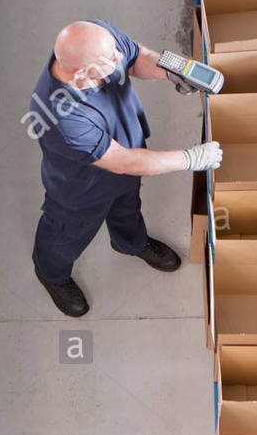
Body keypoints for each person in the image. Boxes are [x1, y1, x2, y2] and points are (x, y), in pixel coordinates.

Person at [26, 20, 222, 317]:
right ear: (82, 74)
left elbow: (136, 57)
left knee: (128, 209)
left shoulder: (99, 40)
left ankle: (130, 243)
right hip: (82, 190)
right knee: (66, 234)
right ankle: (51, 273)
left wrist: (172, 71)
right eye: (110, 59)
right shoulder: (59, 117)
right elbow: (124, 162)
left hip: (127, 164)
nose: (117, 57)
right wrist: (191, 159)